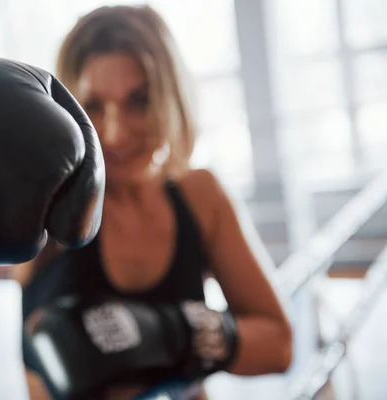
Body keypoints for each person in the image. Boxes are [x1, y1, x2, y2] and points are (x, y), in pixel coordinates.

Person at [16, 5, 293, 399]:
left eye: (140, 101)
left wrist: (171, 332)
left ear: (171, 98)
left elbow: (279, 344)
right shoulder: (46, 207)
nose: (114, 133)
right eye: (93, 105)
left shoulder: (201, 196)